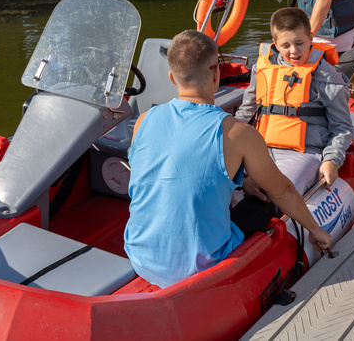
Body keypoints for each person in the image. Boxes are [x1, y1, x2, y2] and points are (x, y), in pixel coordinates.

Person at [123, 30, 332, 288]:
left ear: (171, 77)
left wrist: (240, 181)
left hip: (139, 256)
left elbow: (167, 171)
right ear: (216, 74)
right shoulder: (238, 133)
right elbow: (283, 192)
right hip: (199, 268)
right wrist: (316, 230)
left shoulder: (143, 121)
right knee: (262, 201)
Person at [235, 7, 354, 195]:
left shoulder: (327, 77)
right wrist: (231, 145)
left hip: (305, 153)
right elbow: (245, 112)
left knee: (279, 192)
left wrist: (332, 159)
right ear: (275, 43)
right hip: (260, 147)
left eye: (300, 43)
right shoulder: (262, 69)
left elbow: (343, 128)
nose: (294, 51)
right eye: (285, 46)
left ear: (310, 37)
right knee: (228, 187)